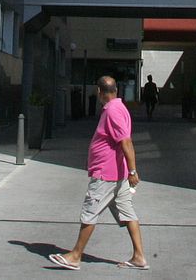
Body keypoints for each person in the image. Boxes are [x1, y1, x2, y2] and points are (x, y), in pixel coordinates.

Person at [50, 75, 149, 271]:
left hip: (107, 174)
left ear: (99, 92)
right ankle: (139, 257)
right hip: (116, 174)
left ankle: (75, 256)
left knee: (90, 212)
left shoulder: (112, 111)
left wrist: (132, 170)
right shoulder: (119, 107)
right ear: (116, 91)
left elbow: (126, 141)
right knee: (127, 213)